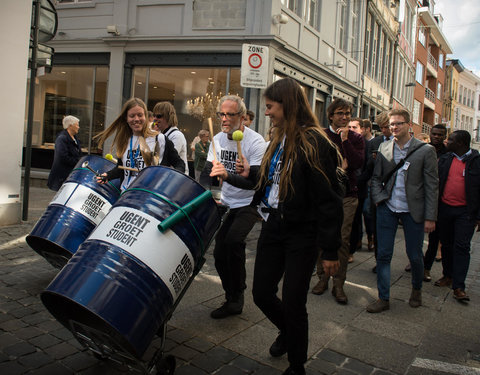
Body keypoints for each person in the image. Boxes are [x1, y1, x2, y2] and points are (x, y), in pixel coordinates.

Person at [238, 78, 342, 375]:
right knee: (260, 293)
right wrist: (245, 174)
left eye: (270, 107)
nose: (267, 112)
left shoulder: (315, 141)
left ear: (288, 104)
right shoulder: (278, 138)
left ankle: (297, 364)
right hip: (272, 226)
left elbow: (329, 200)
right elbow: (272, 177)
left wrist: (331, 249)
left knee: (294, 301)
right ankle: (288, 331)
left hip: (302, 234)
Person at [200, 95, 266, 319]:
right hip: (226, 201)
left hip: (249, 202)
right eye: (222, 114)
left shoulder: (255, 142)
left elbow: (254, 183)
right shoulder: (217, 139)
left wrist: (227, 175)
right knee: (219, 253)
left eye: (230, 114)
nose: (225, 119)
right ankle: (231, 294)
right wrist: (209, 191)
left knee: (233, 242)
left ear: (242, 117)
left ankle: (237, 296)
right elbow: (206, 175)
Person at [367, 109, 438, 313]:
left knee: (414, 255)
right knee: (383, 254)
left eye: (398, 123)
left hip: (413, 210)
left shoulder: (425, 151)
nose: (394, 127)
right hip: (388, 208)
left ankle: (416, 289)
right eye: (391, 124)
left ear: (409, 125)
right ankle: (383, 297)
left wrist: (430, 217)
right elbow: (376, 177)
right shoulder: (384, 147)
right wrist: (379, 199)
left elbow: (432, 185)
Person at [312, 99, 364, 304]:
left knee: (342, 239)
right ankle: (322, 278)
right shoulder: (320, 135)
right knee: (321, 237)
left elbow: (357, 163)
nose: (344, 117)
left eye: (348, 113)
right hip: (323, 194)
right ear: (331, 115)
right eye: (340, 113)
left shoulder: (356, 138)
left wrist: (345, 141)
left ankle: (338, 284)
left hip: (347, 196)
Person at [94, 98, 184, 191]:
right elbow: (122, 169)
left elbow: (179, 163)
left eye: (140, 115)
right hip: (126, 194)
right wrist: (108, 175)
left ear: (145, 116)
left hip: (150, 195)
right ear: (126, 118)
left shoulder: (159, 139)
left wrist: (171, 178)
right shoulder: (124, 141)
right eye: (132, 116)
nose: (136, 119)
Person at [434, 130, 480, 301]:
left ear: (460, 143)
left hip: (466, 213)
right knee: (446, 244)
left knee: (462, 247)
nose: (447, 141)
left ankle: (459, 286)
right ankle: (448, 275)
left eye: (451, 139)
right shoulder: (446, 159)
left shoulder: (476, 162)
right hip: (445, 209)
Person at [422, 124, 448, 281]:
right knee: (416, 235)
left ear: (445, 136)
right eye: (434, 133)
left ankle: (426, 268)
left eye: (440, 134)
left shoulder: (448, 154)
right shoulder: (423, 149)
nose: (436, 136)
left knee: (434, 238)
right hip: (421, 196)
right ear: (430, 134)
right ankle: (417, 261)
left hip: (439, 199)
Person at [152, 101, 189, 175]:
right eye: (154, 115)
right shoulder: (162, 134)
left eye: (159, 116)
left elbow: (168, 159)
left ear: (167, 117)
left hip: (176, 178)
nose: (155, 119)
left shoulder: (177, 135)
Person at [47, 115, 82, 191]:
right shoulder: (62, 138)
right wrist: (78, 162)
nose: (78, 127)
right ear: (70, 126)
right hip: (62, 176)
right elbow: (63, 157)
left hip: (71, 174)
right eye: (77, 125)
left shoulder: (75, 138)